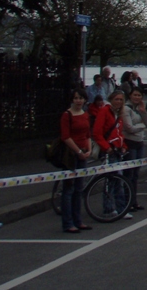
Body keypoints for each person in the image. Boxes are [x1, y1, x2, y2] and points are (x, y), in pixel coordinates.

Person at [59, 88, 93, 233]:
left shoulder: (85, 114)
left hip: (83, 153)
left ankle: (78, 220)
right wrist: (78, 151)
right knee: (68, 189)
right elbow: (65, 137)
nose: (79, 101)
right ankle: (68, 222)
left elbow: (88, 134)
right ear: (72, 100)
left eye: (81, 98)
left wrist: (89, 150)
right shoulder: (67, 115)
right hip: (71, 155)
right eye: (76, 98)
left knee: (79, 189)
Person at [93, 90, 131, 218]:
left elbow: (119, 133)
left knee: (116, 180)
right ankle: (110, 208)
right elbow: (97, 133)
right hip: (109, 150)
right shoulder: (105, 111)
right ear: (111, 99)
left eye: (121, 100)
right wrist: (106, 147)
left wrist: (124, 146)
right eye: (117, 99)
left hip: (117, 150)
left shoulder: (118, 114)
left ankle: (120, 208)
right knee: (112, 180)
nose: (119, 102)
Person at [122, 87, 147, 212]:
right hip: (130, 142)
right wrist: (142, 125)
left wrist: (144, 113)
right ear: (130, 96)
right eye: (135, 95)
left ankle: (133, 201)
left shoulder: (140, 109)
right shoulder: (126, 109)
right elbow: (129, 128)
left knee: (136, 174)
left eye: (139, 95)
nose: (137, 97)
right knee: (129, 173)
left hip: (140, 142)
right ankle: (126, 200)